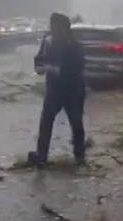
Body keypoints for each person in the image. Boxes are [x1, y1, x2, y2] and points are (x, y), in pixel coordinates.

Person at [29, 12, 86, 167]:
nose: (54, 29)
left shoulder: (73, 45)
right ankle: (41, 156)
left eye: (57, 26)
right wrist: (40, 67)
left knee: (76, 123)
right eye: (52, 25)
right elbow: (39, 59)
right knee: (46, 123)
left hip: (73, 90)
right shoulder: (47, 41)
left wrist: (56, 69)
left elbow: (79, 66)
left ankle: (79, 156)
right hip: (54, 90)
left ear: (65, 28)